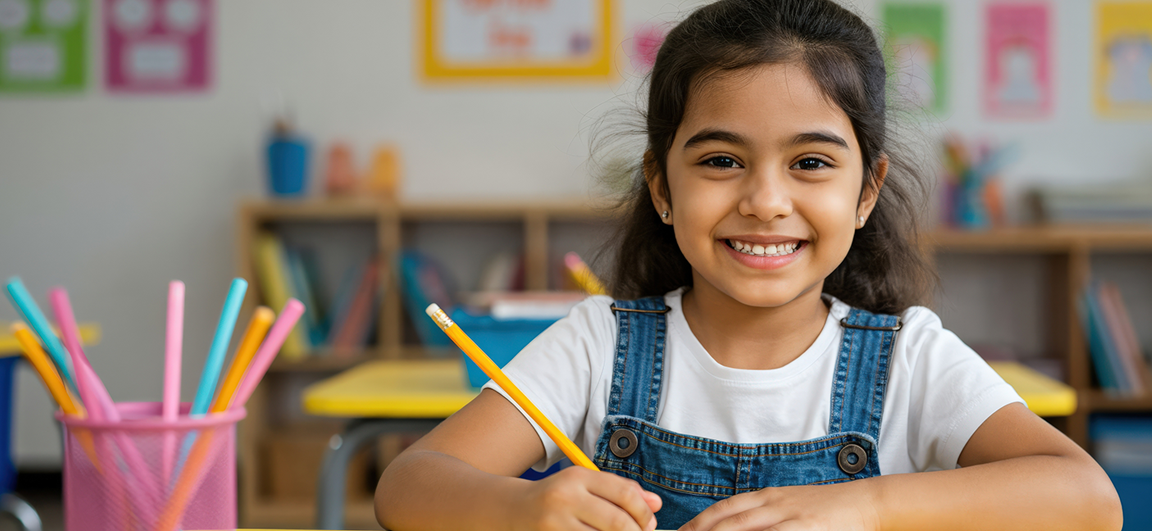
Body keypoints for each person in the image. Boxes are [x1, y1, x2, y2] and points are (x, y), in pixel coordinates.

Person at [375, 1, 1121, 529]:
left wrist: (868, 505)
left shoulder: (908, 359)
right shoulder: (600, 343)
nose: (766, 201)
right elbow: (407, 484)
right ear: (663, 186)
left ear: (866, 191)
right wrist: (520, 507)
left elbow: (1087, 498)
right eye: (723, 160)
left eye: (810, 162)